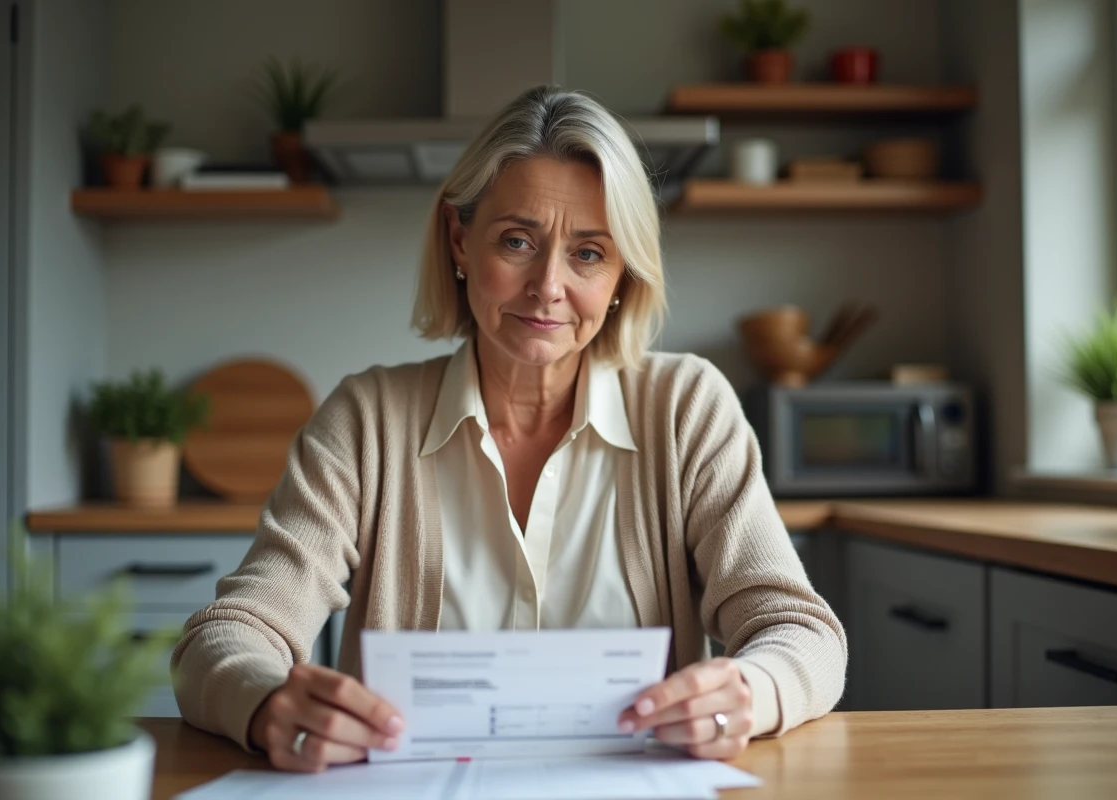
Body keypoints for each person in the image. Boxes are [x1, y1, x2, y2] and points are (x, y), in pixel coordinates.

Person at [171, 85, 847, 773]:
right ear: (459, 241)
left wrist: (748, 690)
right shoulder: (365, 420)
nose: (548, 285)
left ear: (622, 275)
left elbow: (801, 633)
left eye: (588, 253)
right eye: (517, 240)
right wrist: (263, 702)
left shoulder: (688, 408)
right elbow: (226, 637)